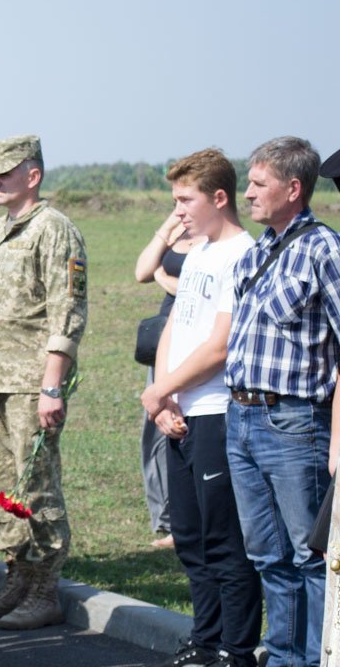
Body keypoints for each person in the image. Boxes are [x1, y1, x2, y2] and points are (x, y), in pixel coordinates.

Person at [140, 149, 262, 667]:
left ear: (219, 197)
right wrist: (163, 395)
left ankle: (237, 648)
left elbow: (221, 345)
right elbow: (174, 325)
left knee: (223, 541)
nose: (179, 211)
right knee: (189, 536)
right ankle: (204, 638)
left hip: (216, 410)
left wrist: (163, 389)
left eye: (186, 200)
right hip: (178, 409)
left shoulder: (241, 252)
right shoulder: (200, 252)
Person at [0, 135, 88, 630]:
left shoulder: (55, 230)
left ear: (32, 176)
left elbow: (67, 308)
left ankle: (44, 588)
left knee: (35, 486)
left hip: (30, 383)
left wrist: (52, 384)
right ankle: (16, 577)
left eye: (5, 172)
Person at [225, 136, 340, 667]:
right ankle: (285, 657)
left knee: (308, 556)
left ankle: (316, 658)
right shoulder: (256, 252)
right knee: (267, 556)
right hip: (242, 417)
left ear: (293, 189)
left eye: (257, 183)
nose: (246, 193)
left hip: (293, 421)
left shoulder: (323, 249)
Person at [134, 211, 205, 549]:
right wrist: (165, 229)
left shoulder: (211, 240)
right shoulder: (177, 234)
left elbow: (192, 290)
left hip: (193, 344)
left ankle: (184, 523)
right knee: (154, 433)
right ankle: (165, 517)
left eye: (185, 198)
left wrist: (163, 278)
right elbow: (141, 271)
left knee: (182, 429)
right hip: (164, 342)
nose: (180, 206)